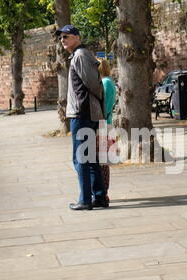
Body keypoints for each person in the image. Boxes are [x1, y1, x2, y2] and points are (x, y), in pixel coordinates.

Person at [56, 24, 108, 211]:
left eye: (67, 36)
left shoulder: (80, 55)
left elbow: (94, 84)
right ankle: (100, 197)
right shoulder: (79, 55)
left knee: (81, 158)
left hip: (82, 113)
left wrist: (91, 107)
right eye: (61, 37)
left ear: (77, 38)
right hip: (84, 112)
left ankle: (85, 199)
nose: (63, 40)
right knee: (90, 158)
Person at [97, 59, 117, 202]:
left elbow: (105, 106)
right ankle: (103, 190)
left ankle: (104, 192)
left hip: (103, 125)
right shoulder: (108, 82)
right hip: (106, 124)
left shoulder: (105, 83)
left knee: (102, 162)